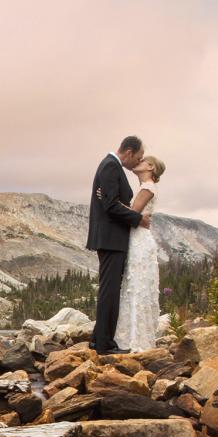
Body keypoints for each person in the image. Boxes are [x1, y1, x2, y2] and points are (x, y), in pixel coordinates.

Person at [85, 135, 152, 354]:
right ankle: (105, 345)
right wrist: (137, 219)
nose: (137, 162)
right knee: (110, 291)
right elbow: (111, 206)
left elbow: (110, 201)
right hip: (111, 238)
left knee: (110, 289)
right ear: (129, 152)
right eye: (138, 157)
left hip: (110, 237)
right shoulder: (111, 166)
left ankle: (98, 339)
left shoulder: (110, 166)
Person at [115, 155, 166, 352]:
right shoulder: (145, 186)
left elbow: (133, 212)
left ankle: (135, 340)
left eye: (143, 161)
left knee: (137, 286)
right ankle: (132, 338)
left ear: (151, 167)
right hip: (137, 238)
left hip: (140, 241)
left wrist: (107, 200)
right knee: (134, 285)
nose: (138, 162)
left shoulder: (147, 187)